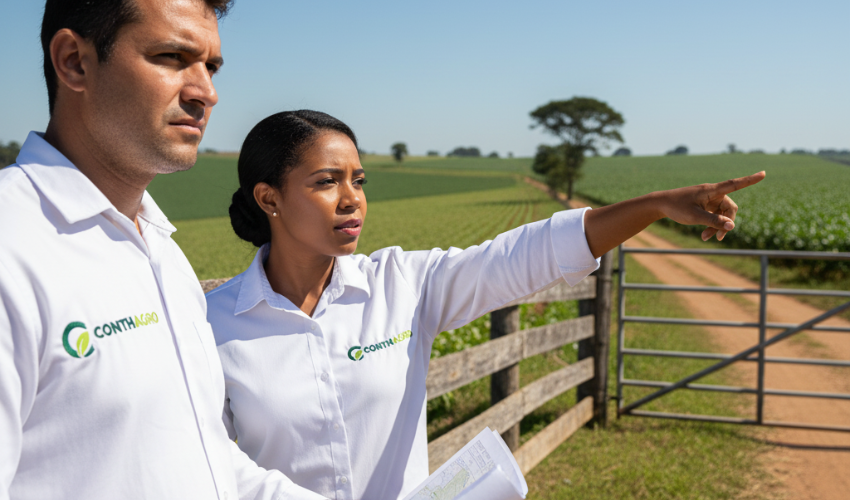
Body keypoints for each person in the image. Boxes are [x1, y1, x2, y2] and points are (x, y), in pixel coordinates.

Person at [205, 110, 765, 500]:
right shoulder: (212, 324)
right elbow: (213, 460)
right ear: (268, 197)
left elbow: (523, 256)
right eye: (327, 181)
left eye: (359, 179)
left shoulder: (402, 284)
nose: (352, 199)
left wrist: (658, 204)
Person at [0, 1, 326, 499]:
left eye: (211, 66)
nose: (206, 93)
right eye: (173, 56)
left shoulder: (162, 251)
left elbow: (204, 460)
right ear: (74, 62)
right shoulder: (13, 243)